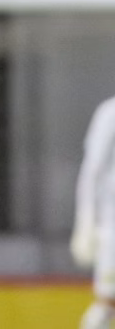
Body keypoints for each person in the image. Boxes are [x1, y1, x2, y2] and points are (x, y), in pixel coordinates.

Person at [71, 96, 115, 329]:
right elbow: (91, 171)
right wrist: (85, 223)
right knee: (107, 303)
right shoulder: (110, 112)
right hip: (112, 228)